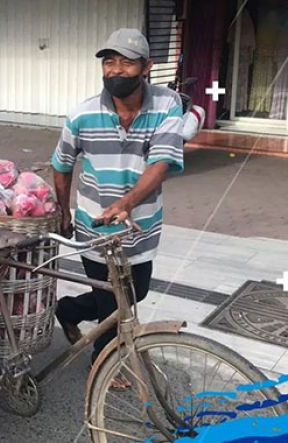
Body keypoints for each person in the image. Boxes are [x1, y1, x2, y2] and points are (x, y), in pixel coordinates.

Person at [51, 29, 184, 386]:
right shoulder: (82, 114)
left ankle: (68, 310)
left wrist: (127, 203)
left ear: (146, 67)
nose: (116, 70)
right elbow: (62, 164)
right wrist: (64, 211)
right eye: (109, 62)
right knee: (112, 299)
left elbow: (162, 162)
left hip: (140, 223)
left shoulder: (167, 105)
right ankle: (102, 364)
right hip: (94, 224)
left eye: (126, 62)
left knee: (136, 292)